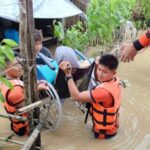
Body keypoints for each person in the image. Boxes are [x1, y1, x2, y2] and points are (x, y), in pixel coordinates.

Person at [59, 54, 122, 139]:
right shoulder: (115, 81)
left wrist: (68, 74)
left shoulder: (103, 93)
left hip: (103, 134)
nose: (100, 74)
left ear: (114, 73)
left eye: (105, 72)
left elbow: (76, 97)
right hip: (112, 127)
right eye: (99, 69)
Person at [0, 56, 49, 136]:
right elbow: (28, 107)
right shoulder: (14, 90)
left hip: (19, 124)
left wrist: (37, 83)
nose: (20, 67)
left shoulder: (9, 80)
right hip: (26, 129)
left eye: (20, 63)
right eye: (16, 65)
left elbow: (25, 87)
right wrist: (37, 89)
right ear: (6, 68)